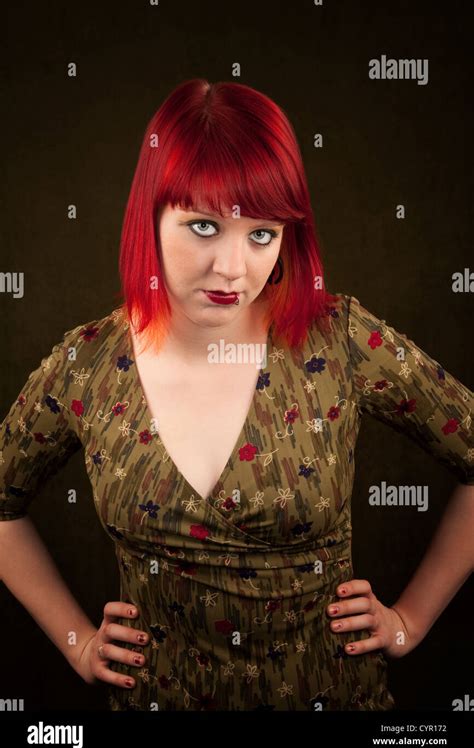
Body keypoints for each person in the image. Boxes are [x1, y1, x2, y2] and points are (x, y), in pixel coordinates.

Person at [0, 79, 473, 712]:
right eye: (203, 225)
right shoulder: (86, 365)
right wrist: (75, 640)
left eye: (261, 234)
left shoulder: (340, 339)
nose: (232, 269)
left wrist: (408, 621)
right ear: (149, 215)